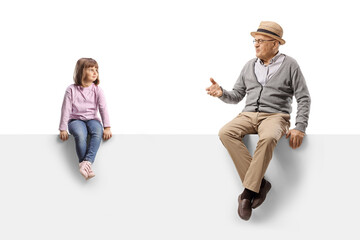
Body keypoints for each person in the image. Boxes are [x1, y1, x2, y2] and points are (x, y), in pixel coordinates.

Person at [206, 21, 311, 220]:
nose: (255, 44)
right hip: (248, 115)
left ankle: (247, 194)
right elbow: (237, 95)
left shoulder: (290, 65)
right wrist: (222, 93)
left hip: (275, 115)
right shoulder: (249, 66)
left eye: (261, 41)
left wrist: (300, 126)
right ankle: (260, 184)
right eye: (255, 40)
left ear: (275, 44)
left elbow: (303, 97)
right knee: (225, 132)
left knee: (270, 136)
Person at [59, 58, 112, 180]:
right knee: (80, 134)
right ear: (81, 71)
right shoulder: (71, 89)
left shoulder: (97, 89)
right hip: (75, 120)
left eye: (96, 70)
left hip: (92, 119)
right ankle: (84, 164)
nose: (95, 73)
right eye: (91, 70)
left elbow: (103, 108)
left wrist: (107, 127)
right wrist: (62, 129)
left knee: (97, 132)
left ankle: (86, 163)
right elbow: (65, 109)